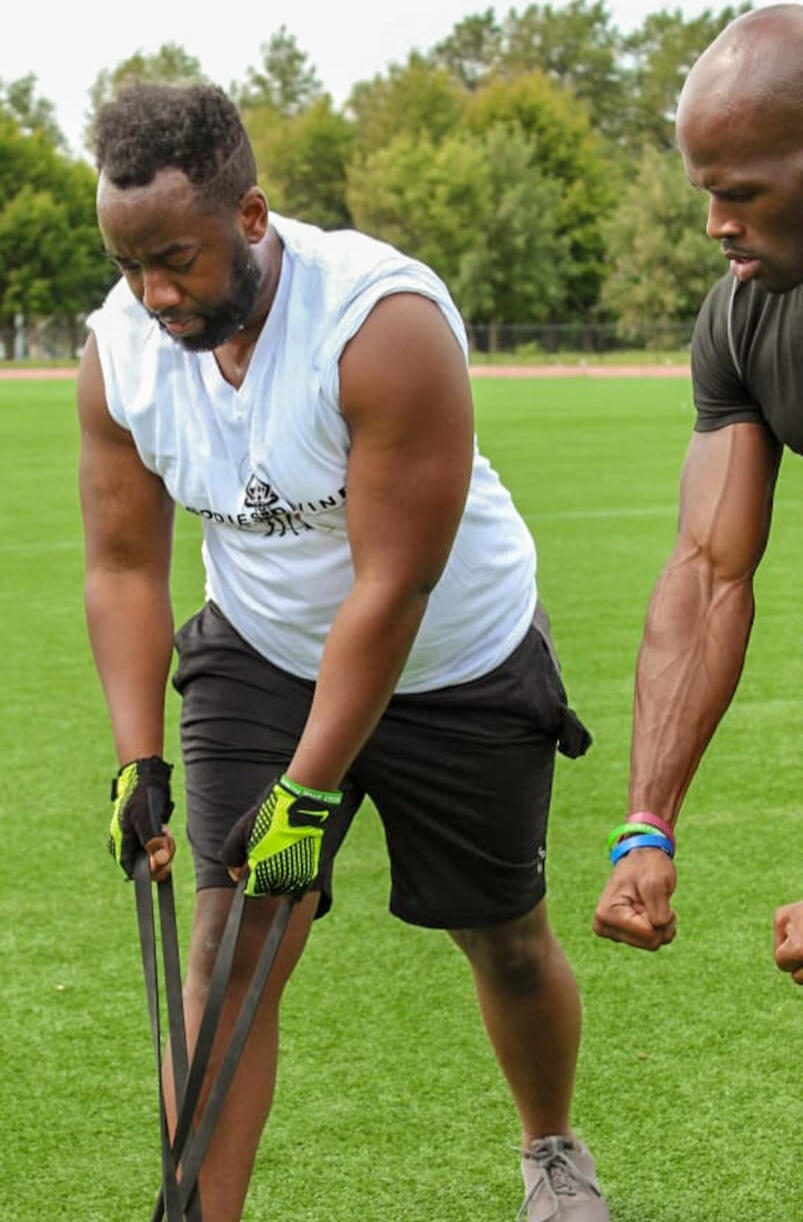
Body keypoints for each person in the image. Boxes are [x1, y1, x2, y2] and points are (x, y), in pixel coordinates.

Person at [80, 81, 609, 1222]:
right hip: (263, 650)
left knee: (504, 940)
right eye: (130, 267)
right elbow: (125, 567)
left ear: (253, 216)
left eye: (176, 259)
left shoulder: (380, 321)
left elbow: (393, 582)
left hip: (451, 653)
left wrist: (307, 796)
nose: (155, 295)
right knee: (228, 936)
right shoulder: (120, 352)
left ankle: (551, 1151)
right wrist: (138, 759)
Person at [592, 3, 803, 988]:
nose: (715, 223)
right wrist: (646, 820)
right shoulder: (741, 315)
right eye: (704, 193)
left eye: (740, 193)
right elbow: (705, 573)